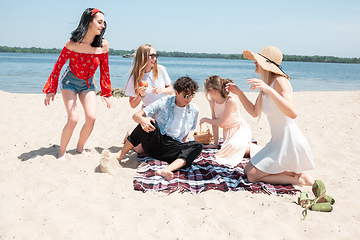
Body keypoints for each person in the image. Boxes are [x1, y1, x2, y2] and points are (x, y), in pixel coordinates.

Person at [226, 46, 315, 186]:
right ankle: (293, 175)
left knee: (252, 176)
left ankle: (299, 179)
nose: (254, 63)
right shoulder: (265, 84)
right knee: (247, 170)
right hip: (276, 141)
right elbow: (254, 112)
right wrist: (239, 93)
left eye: (257, 60)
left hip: (288, 141)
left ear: (266, 64)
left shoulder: (279, 82)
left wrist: (269, 90)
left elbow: (293, 113)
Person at [100, 76, 203, 180]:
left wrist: (182, 148)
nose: (189, 99)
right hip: (156, 142)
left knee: (197, 146)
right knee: (149, 122)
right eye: (186, 96)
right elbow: (136, 116)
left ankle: (166, 170)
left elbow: (185, 135)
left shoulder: (194, 110)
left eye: (192, 95)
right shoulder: (164, 102)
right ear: (176, 93)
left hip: (172, 147)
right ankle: (120, 155)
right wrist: (143, 120)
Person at [43, 8, 112, 160]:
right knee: (73, 118)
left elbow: (105, 70)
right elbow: (58, 66)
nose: (103, 25)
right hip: (70, 82)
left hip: (88, 84)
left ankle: (79, 149)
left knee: (91, 118)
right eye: (99, 22)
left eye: (104, 23)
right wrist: (51, 89)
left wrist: (106, 92)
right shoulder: (72, 44)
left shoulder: (103, 45)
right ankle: (62, 151)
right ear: (89, 22)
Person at [200, 75, 261, 168]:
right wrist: (215, 144)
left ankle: (260, 150)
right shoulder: (212, 101)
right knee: (227, 149)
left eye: (208, 90)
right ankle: (244, 146)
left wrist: (205, 119)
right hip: (227, 132)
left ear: (214, 90)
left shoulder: (230, 100)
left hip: (240, 129)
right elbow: (214, 124)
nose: (207, 92)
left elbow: (220, 123)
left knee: (232, 147)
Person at [123, 44, 173, 152]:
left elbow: (171, 90)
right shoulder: (135, 77)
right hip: (148, 114)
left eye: (156, 55)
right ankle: (130, 134)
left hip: (165, 112)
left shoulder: (160, 70)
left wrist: (162, 90)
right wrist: (140, 95)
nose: (155, 58)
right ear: (143, 57)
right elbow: (132, 104)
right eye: (152, 55)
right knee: (141, 150)